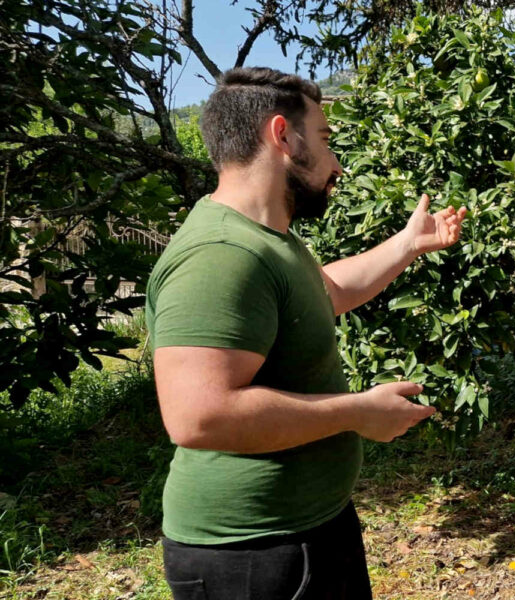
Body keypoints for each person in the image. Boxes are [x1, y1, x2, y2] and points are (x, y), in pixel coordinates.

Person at [146, 67, 467, 599]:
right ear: (282, 136)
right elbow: (198, 417)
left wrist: (409, 244)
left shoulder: (271, 238)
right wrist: (357, 412)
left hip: (309, 531)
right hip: (250, 557)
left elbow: (329, 292)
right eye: (323, 139)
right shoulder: (221, 255)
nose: (335, 163)